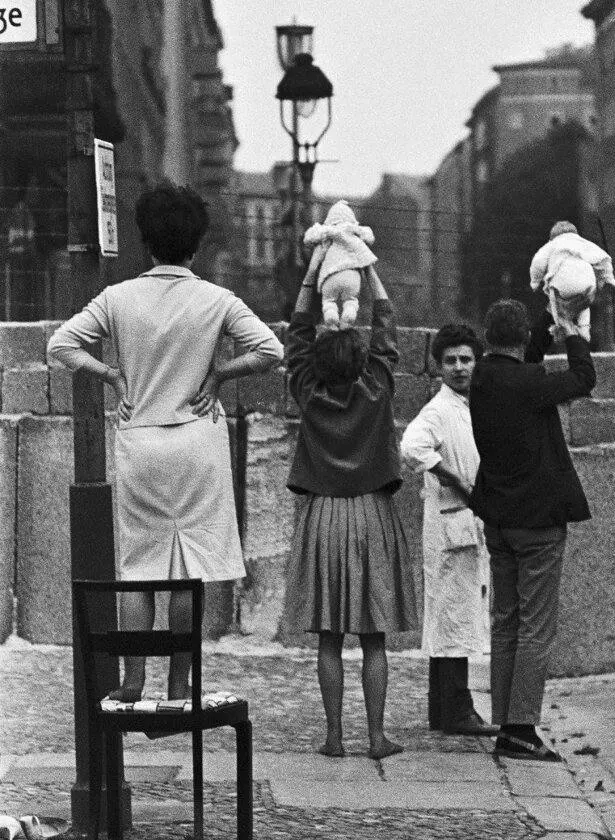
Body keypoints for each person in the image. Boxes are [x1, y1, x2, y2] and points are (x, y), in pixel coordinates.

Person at [47, 182, 284, 701]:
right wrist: (220, 374)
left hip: (142, 439)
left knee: (140, 568)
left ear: (147, 242)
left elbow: (61, 343)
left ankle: (133, 680)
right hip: (197, 440)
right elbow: (270, 349)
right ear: (194, 245)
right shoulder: (216, 299)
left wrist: (110, 375)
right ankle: (180, 678)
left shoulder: (118, 298)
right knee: (187, 570)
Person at [282, 256, 417, 760]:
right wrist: (366, 264)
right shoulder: (378, 387)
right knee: (374, 636)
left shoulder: (308, 391)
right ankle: (377, 737)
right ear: (362, 362)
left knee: (330, 637)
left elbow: (296, 336)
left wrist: (313, 272)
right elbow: (385, 323)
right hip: (371, 514)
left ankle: (335, 736)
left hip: (323, 515)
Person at [469, 298, 595, 760]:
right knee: (536, 626)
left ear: (487, 339)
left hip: (498, 517)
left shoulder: (480, 377)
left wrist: (547, 317)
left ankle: (506, 724)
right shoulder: (530, 383)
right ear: (522, 340)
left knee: (505, 621)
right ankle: (522, 729)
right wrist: (573, 331)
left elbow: (527, 361)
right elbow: (584, 378)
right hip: (538, 521)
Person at [400, 324, 496, 736]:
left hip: (466, 524)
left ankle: (443, 710)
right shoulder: (438, 410)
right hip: (450, 522)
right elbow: (411, 447)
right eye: (450, 361)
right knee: (452, 617)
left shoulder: (472, 405)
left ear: (478, 362)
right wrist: (454, 478)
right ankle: (457, 709)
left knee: (455, 616)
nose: (459, 368)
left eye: (466, 360)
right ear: (439, 367)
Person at [529, 221, 615, 342]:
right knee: (584, 304)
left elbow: (538, 263)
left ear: (552, 237)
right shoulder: (584, 243)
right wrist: (608, 279)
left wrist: (535, 282)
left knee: (555, 305)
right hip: (587, 284)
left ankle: (560, 328)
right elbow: (604, 259)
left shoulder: (552, 244)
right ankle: (584, 328)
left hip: (563, 285)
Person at [303, 200, 377, 329]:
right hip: (351, 274)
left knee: (328, 301)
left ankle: (331, 315)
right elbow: (369, 237)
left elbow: (309, 237)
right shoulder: (354, 230)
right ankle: (349, 314)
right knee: (351, 300)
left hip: (329, 275)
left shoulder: (326, 231)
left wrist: (322, 233)